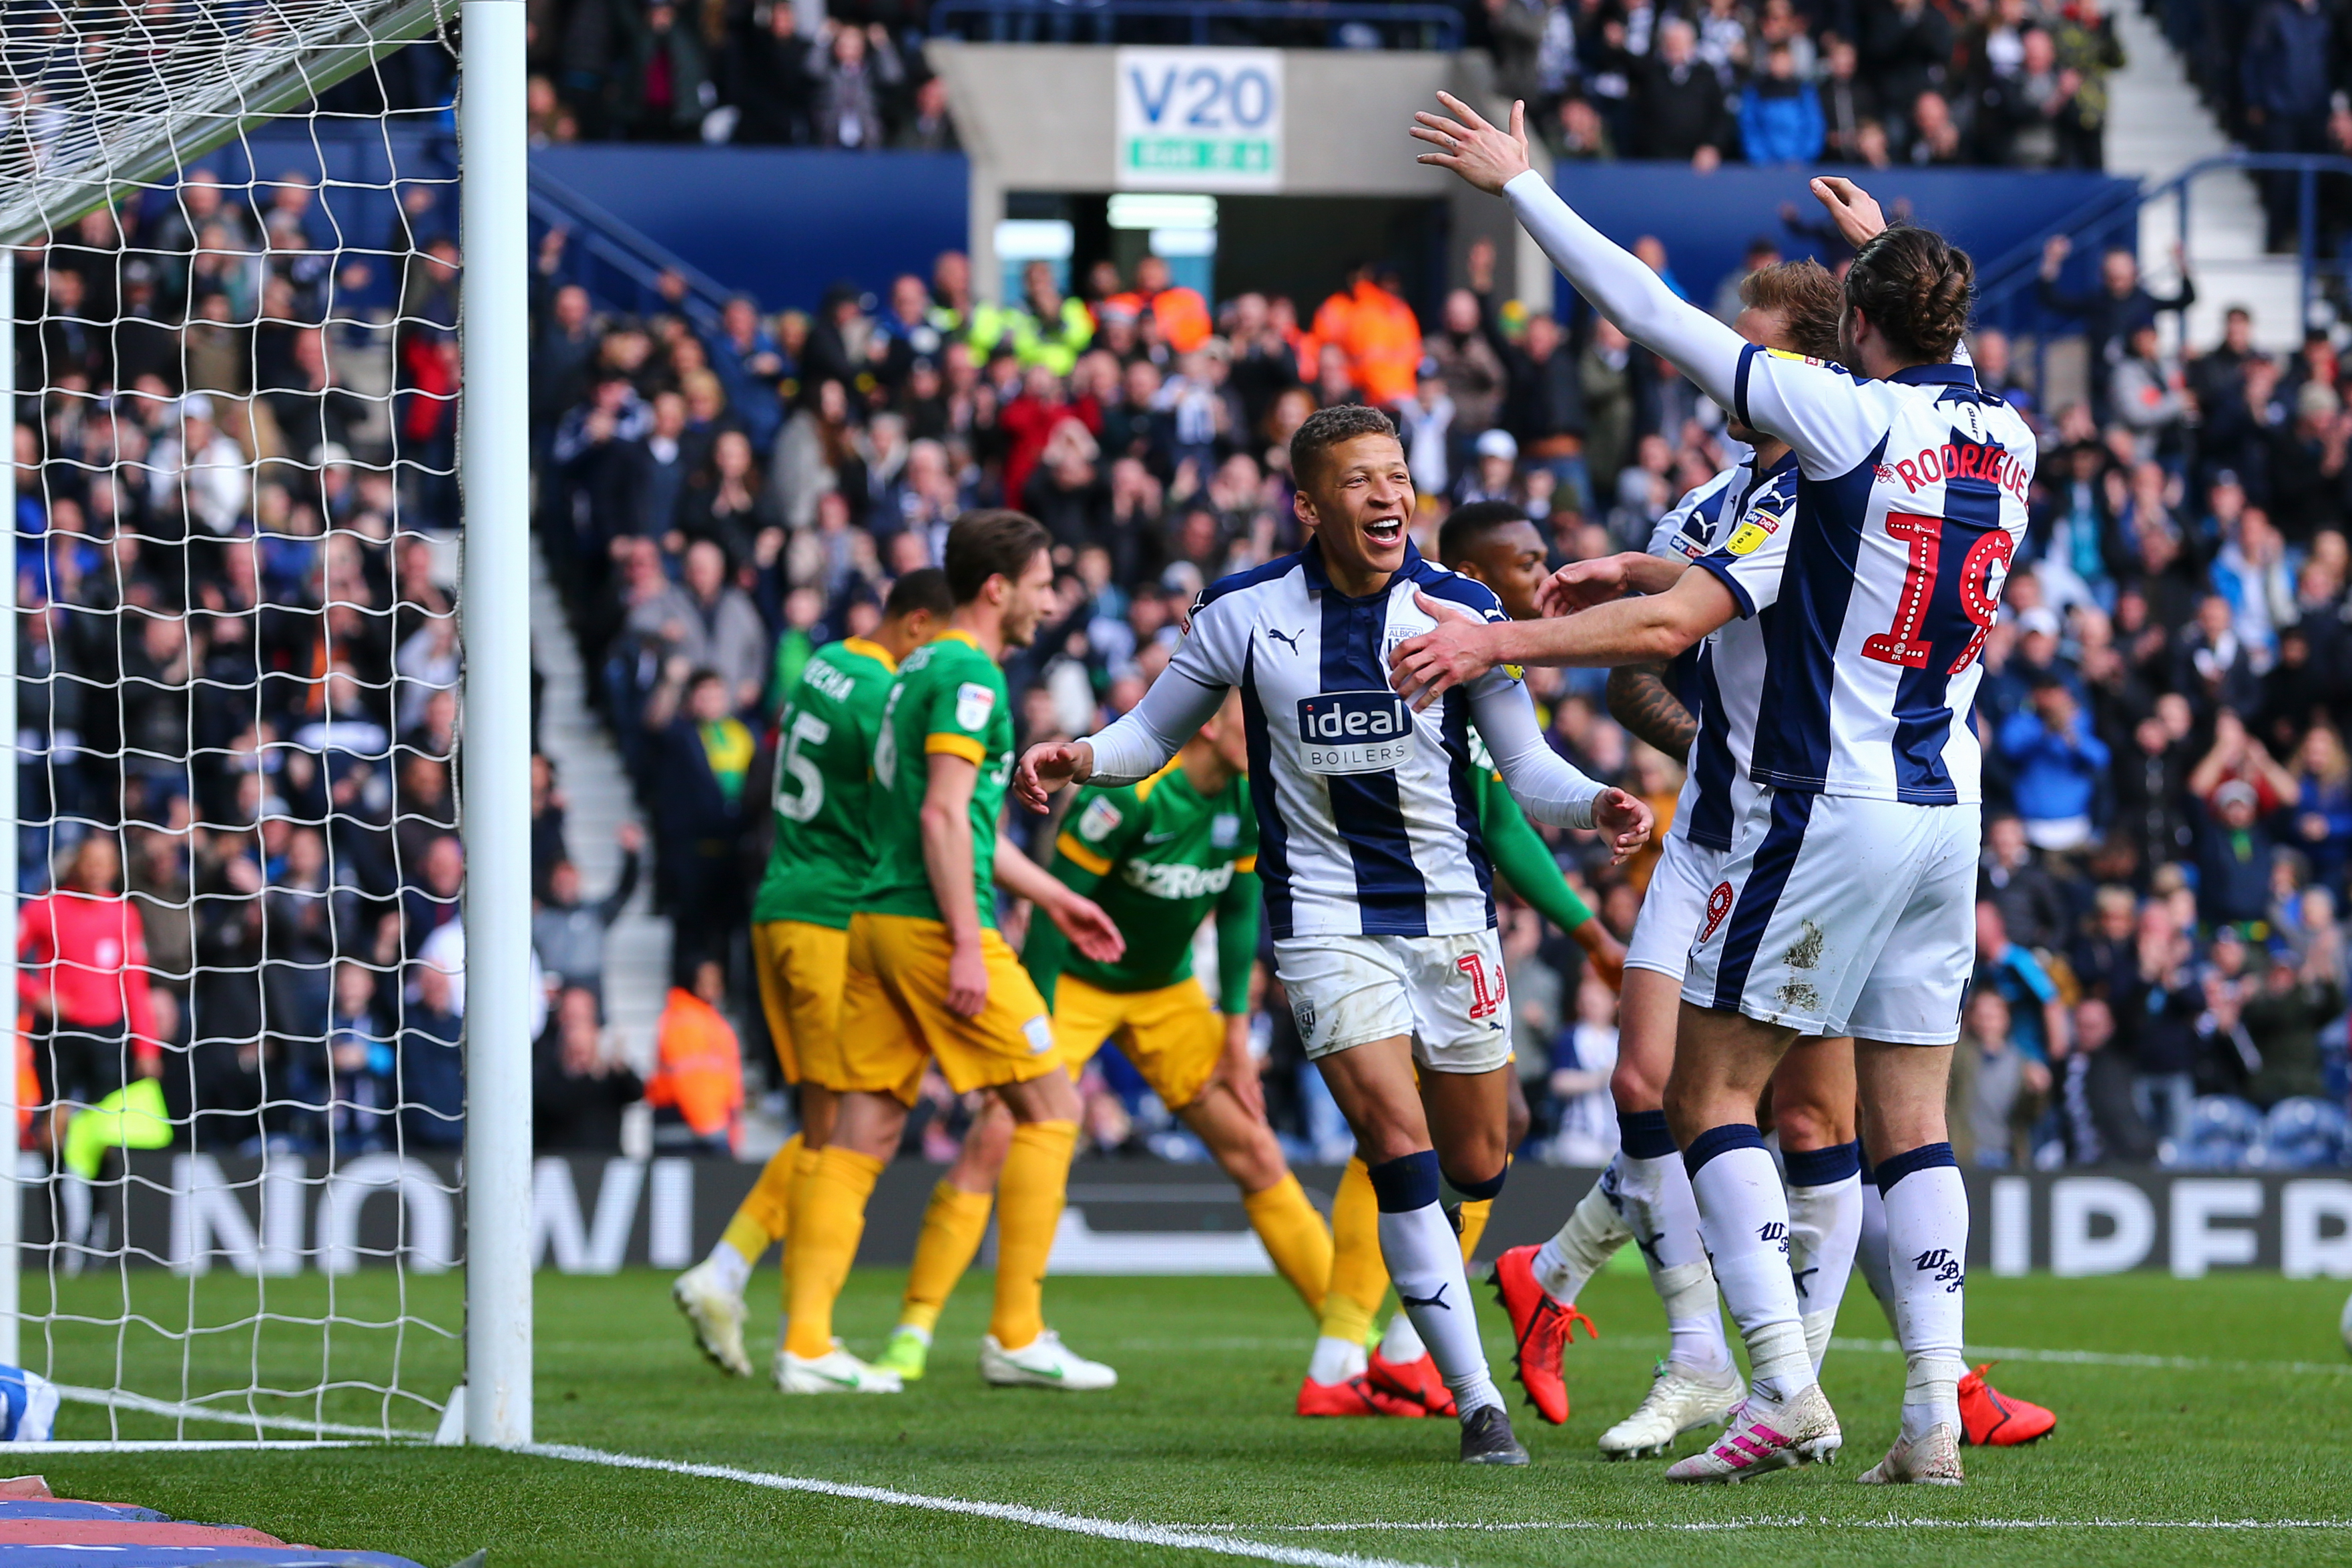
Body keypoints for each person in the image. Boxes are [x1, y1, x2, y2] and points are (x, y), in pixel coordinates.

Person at [1401, 100, 2032, 1486]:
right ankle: (1930, 1412)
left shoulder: (1836, 419)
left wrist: (1525, 188)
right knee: (1908, 1114)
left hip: (1832, 797)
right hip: (1949, 810)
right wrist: (1882, 254)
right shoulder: (2009, 432)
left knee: (1707, 1093)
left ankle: (1779, 1388)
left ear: (1854, 326)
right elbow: (1942, 357)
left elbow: (1645, 314)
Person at [1015, 405, 1654, 1466]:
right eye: (1358, 481)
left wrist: (1597, 804)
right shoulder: (1239, 613)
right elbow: (1148, 736)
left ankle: (1441, 1316)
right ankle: (1475, 1400)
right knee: (1393, 1147)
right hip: (1320, 920)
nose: (1386, 496)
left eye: (1396, 476)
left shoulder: (1459, 610)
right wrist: (1077, 754)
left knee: (1477, 1157)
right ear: (1309, 505)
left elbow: (1524, 771)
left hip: (1450, 915)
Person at [1479, 257, 1865, 1453]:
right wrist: (1706, 737)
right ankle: (1708, 1358)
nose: (1721, 372)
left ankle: (1784, 1359)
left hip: (1813, 831)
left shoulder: (1839, 483)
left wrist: (1507, 636)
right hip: (1706, 832)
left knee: (1809, 1113)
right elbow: (1642, 661)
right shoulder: (1702, 507)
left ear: (1801, 361)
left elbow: (1662, 623)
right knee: (1649, 1084)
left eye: (1747, 347)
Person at [864, 692, 1334, 1384]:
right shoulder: (1131, 797)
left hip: (1167, 993)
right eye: (1254, 716)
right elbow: (1054, 915)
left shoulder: (1250, 795)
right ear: (1208, 720)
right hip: (1076, 985)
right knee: (998, 1131)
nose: (1269, 731)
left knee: (1254, 1143)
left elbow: (1238, 914)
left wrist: (1235, 1033)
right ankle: (916, 1329)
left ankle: (1352, 1333)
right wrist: (1041, 1026)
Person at [1296, 500, 1631, 1424]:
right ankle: (1365, 1354)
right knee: (1404, 1141)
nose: (1541, 578)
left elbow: (1501, 803)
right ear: (1468, 570)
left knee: (1446, 1137)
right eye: (1521, 565)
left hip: (1418, 920)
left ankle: (1376, 1351)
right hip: (1369, 916)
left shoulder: (1483, 652)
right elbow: (1495, 820)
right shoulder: (1443, 641)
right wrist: (1588, 931)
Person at [779, 511, 1127, 1396]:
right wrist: (972, 944)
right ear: (998, 587)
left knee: (867, 1123)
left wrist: (1053, 896)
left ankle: (808, 1345)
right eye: (1044, 585)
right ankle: (1016, 1331)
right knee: (1052, 1105)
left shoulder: (915, 666)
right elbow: (941, 815)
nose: (1051, 603)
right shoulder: (970, 673)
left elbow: (955, 820)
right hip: (934, 927)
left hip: (872, 918)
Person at [669, 569, 955, 1378]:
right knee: (851, 1130)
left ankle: (731, 1277)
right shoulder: (879, 695)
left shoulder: (823, 667)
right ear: (918, 625)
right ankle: (806, 1338)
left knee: (827, 1124)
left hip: (784, 903)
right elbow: (920, 805)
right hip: (832, 916)